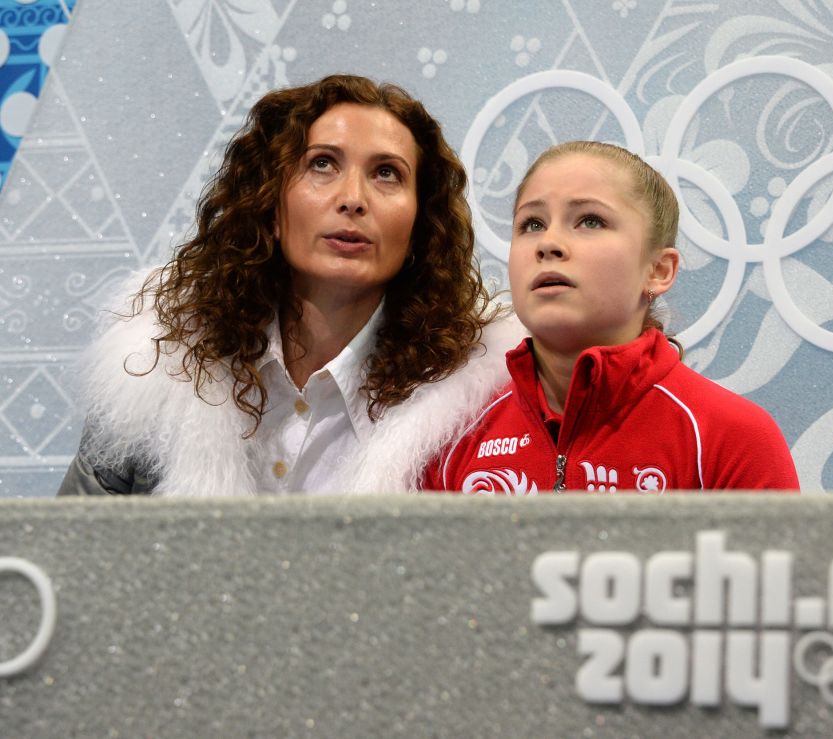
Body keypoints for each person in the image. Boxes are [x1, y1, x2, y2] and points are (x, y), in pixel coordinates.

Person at [58, 75, 520, 497]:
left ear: (420, 226)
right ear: (269, 205)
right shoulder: (155, 365)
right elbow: (72, 565)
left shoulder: (475, 402)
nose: (353, 200)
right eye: (322, 164)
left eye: (387, 173)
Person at [426, 141, 798, 494]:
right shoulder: (450, 441)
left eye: (590, 221)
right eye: (532, 224)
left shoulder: (732, 439)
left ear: (658, 271)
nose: (548, 243)